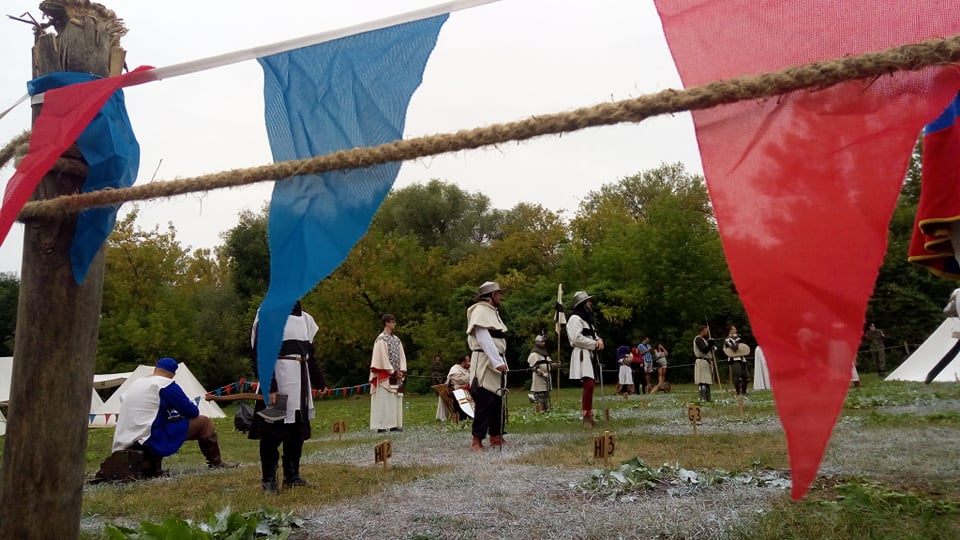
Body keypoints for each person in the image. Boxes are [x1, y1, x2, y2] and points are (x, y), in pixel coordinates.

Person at [250, 301, 326, 493]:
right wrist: (271, 386)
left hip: (300, 383)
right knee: (272, 433)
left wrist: (319, 382)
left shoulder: (306, 319)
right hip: (279, 380)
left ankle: (292, 476)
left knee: (296, 433)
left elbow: (311, 355)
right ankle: (269, 481)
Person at [111, 357, 236, 472]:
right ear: (173, 374)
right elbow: (192, 412)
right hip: (148, 438)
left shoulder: (137, 383)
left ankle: (151, 465)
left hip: (125, 439)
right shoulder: (166, 384)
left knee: (163, 422)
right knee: (204, 422)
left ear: (155, 369)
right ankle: (216, 463)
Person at [467, 281, 510, 451]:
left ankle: (496, 436)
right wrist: (497, 362)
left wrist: (501, 361)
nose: (500, 296)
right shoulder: (480, 311)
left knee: (498, 399)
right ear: (491, 296)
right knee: (485, 400)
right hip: (485, 361)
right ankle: (477, 439)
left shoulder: (492, 311)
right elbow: (484, 339)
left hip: (496, 359)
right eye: (498, 293)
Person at [567, 290, 604, 426]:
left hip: (589, 353)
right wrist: (595, 344)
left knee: (590, 385)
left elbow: (593, 334)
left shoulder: (587, 320)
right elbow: (576, 338)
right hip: (582, 353)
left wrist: (599, 340)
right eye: (588, 301)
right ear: (582, 303)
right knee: (588, 384)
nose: (590, 303)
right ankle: (586, 415)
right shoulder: (575, 318)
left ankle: (589, 413)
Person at [369, 313, 408, 433]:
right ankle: (382, 425)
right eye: (392, 321)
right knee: (384, 400)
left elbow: (402, 356)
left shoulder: (396, 340)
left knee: (394, 399)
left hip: (396, 375)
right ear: (386, 323)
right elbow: (381, 358)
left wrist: (401, 370)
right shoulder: (381, 339)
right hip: (385, 375)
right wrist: (392, 371)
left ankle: (394, 424)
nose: (394, 324)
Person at [437, 354, 471, 421]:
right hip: (457, 391)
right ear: (463, 362)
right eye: (468, 361)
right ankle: (464, 415)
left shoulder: (469, 369)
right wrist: (471, 375)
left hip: (468, 390)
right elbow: (461, 380)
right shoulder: (455, 369)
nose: (470, 363)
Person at [527, 334, 553, 412]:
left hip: (547, 377)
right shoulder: (534, 354)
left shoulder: (544, 353)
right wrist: (543, 374)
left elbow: (549, 364)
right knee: (540, 395)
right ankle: (539, 410)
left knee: (545, 394)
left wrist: (555, 365)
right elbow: (534, 367)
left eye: (544, 341)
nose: (544, 343)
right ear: (538, 342)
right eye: (542, 342)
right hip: (539, 377)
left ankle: (546, 409)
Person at [723, 325, 750, 396]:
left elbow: (742, 347)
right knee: (737, 377)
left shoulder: (737, 338)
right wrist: (736, 341)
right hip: (734, 359)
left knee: (746, 377)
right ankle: (738, 392)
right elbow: (734, 348)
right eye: (734, 329)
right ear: (730, 330)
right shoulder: (727, 340)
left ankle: (744, 392)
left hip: (742, 358)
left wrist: (737, 340)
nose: (736, 330)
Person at [693, 325, 716, 402]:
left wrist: (712, 345)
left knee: (707, 381)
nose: (707, 333)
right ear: (702, 331)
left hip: (706, 362)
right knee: (703, 381)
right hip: (701, 361)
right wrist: (710, 344)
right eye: (706, 331)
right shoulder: (698, 339)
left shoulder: (704, 340)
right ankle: (703, 399)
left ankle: (708, 400)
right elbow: (704, 350)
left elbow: (710, 349)